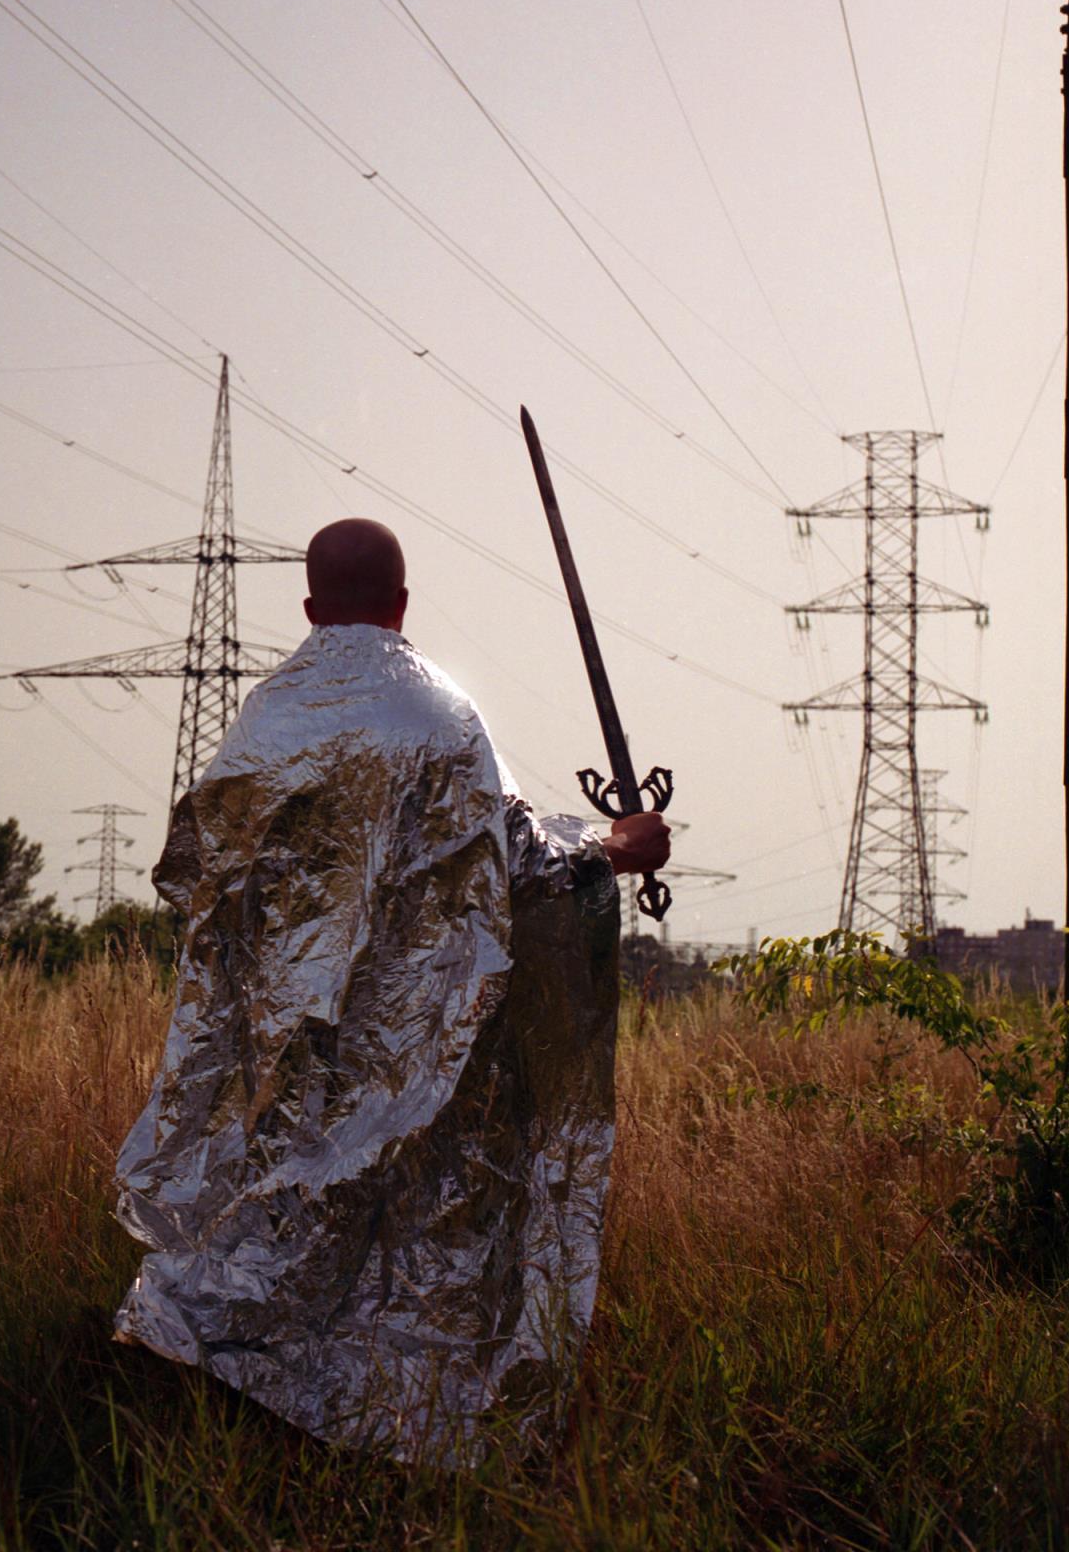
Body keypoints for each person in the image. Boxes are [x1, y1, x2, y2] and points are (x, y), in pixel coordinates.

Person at [113, 518, 670, 1465]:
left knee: (281, 1198)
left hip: (288, 1031)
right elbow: (512, 857)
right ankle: (385, 1417)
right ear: (403, 604)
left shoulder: (265, 717)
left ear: (309, 606)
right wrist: (617, 846)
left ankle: (220, 1367)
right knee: (403, 1222)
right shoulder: (440, 715)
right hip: (408, 1041)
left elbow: (194, 864)